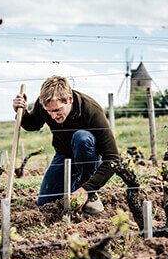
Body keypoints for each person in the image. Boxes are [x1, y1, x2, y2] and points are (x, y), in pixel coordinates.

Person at [13, 75, 119, 214]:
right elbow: (32, 124)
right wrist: (22, 112)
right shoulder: (43, 104)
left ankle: (87, 191)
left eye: (57, 110)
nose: (52, 116)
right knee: (45, 204)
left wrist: (87, 189)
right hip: (63, 155)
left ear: (69, 99)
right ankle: (73, 185)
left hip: (89, 156)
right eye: (48, 111)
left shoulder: (91, 110)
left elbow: (113, 159)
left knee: (82, 138)